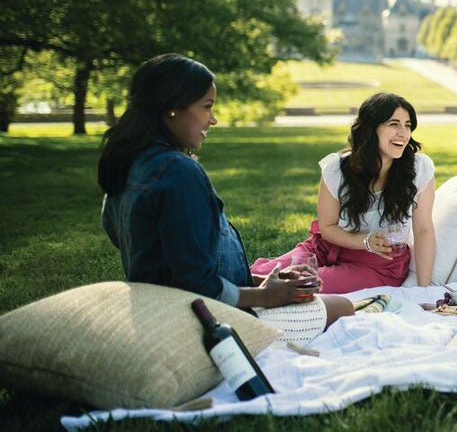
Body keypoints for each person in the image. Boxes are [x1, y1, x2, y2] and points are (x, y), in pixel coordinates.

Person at [99, 54, 354, 345]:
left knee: (326, 301)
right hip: (202, 320)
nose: (213, 119)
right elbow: (195, 285)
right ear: (172, 108)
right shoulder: (178, 172)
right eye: (206, 107)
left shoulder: (127, 164)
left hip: (157, 309)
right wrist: (265, 297)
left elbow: (162, 258)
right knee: (343, 308)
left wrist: (265, 284)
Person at [250, 92, 436, 292]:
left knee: (300, 285)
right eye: (394, 124)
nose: (403, 133)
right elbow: (328, 227)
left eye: (407, 125)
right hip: (325, 248)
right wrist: (365, 241)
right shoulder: (337, 169)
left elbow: (423, 229)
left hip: (377, 264)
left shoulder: (418, 169)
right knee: (258, 275)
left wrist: (423, 290)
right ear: (371, 128)